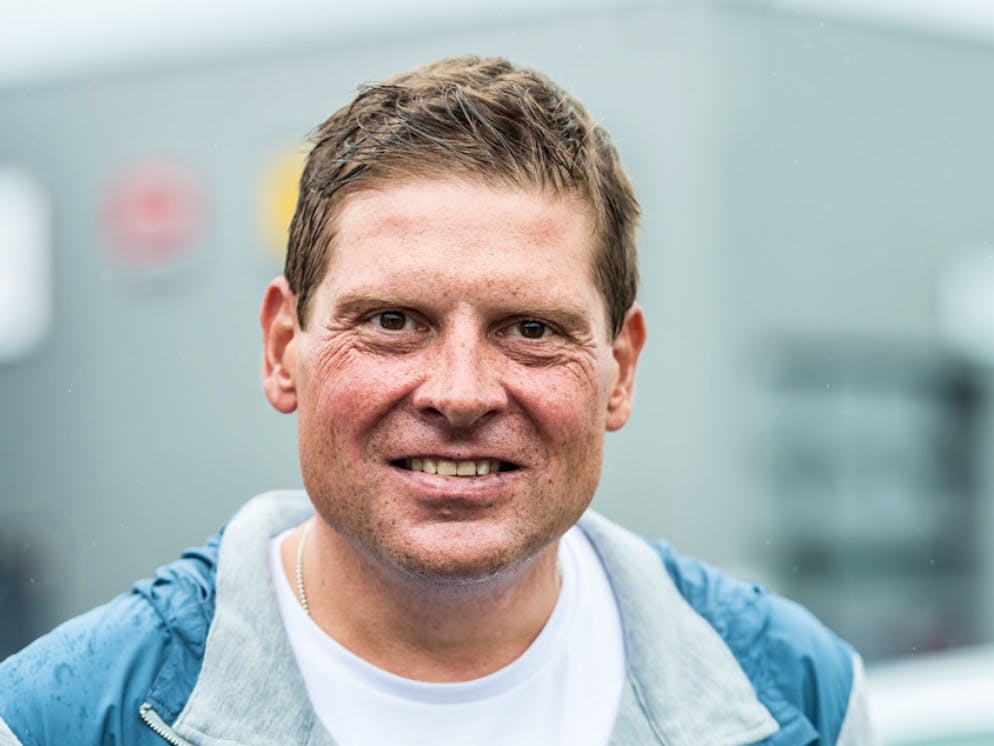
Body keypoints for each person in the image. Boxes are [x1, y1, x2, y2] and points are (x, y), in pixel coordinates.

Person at [0, 56, 874, 745]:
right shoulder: (56, 723)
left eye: (530, 329)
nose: (460, 394)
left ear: (622, 370)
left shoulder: (803, 697)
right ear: (281, 350)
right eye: (393, 321)